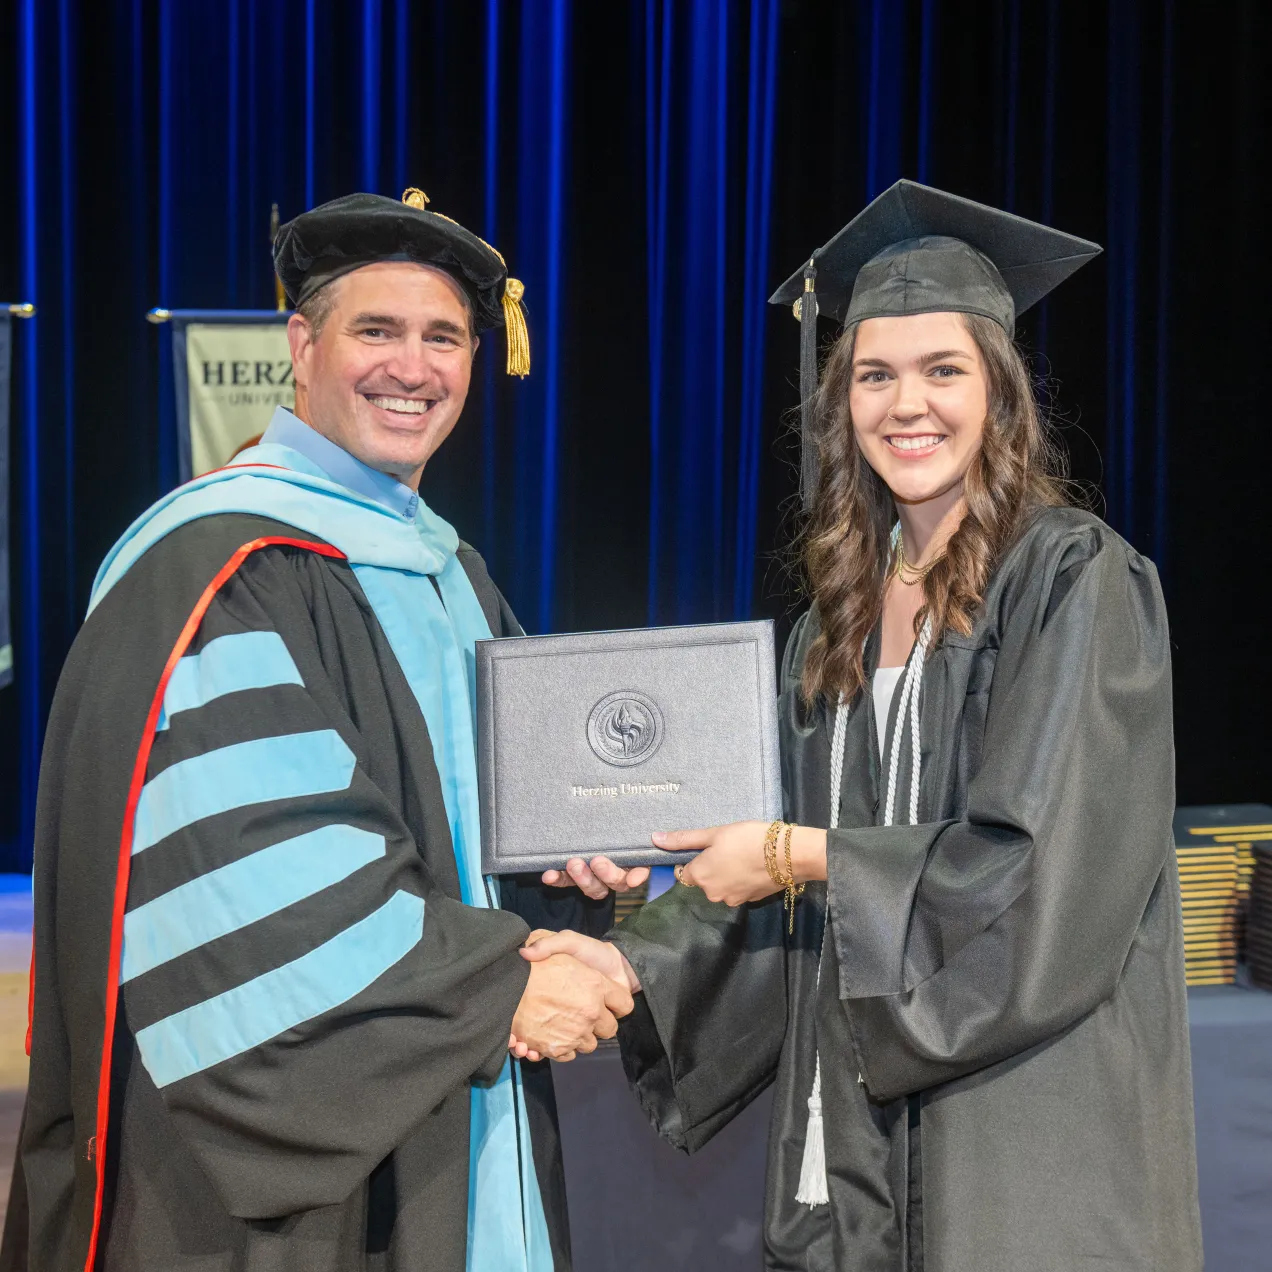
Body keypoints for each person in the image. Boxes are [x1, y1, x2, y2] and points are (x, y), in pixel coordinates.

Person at [518, 181, 1203, 1271]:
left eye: (944, 371)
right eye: (876, 376)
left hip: (1017, 1124)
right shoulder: (830, 626)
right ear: (843, 402)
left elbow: (1038, 869)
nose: (906, 405)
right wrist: (622, 952)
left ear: (1001, 394)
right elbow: (766, 883)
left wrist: (792, 858)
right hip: (848, 1130)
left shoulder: (1074, 580)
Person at [2, 189, 646, 1272]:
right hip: (290, 1173)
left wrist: (575, 875)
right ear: (301, 346)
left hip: (447, 1096)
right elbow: (253, 881)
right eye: (377, 331)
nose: (414, 367)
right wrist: (500, 986)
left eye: (444, 337)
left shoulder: (448, 571)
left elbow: (470, 844)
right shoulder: (215, 571)